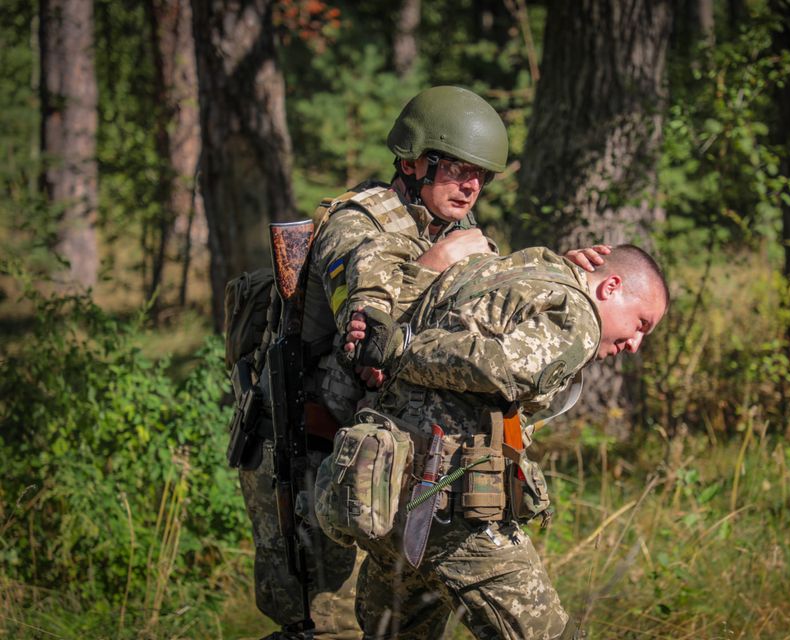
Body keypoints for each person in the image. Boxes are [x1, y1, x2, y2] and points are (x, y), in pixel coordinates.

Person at [238, 85, 608, 639]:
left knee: (389, 624)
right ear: (413, 161)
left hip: (376, 451)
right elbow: (368, 334)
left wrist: (558, 275)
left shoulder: (454, 233)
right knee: (323, 624)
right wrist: (434, 267)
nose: (471, 185)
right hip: (305, 443)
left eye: (480, 175)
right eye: (457, 168)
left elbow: (482, 311)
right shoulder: (357, 223)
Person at [339, 244, 669, 640]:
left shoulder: (513, 270)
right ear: (610, 286)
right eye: (641, 324)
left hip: (387, 490)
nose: (635, 344)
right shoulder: (581, 318)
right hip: (454, 507)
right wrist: (404, 347)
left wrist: (399, 344)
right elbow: (501, 368)